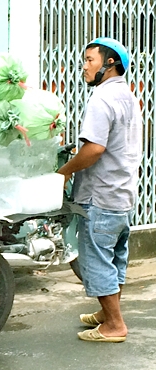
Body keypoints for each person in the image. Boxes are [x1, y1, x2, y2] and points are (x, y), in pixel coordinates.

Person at [57, 37, 143, 342]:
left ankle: (114, 325)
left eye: (90, 60)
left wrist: (64, 172)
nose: (84, 66)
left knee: (95, 260)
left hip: (100, 195)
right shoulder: (128, 96)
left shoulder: (102, 99)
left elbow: (94, 149)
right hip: (122, 194)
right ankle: (107, 313)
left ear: (110, 64)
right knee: (114, 258)